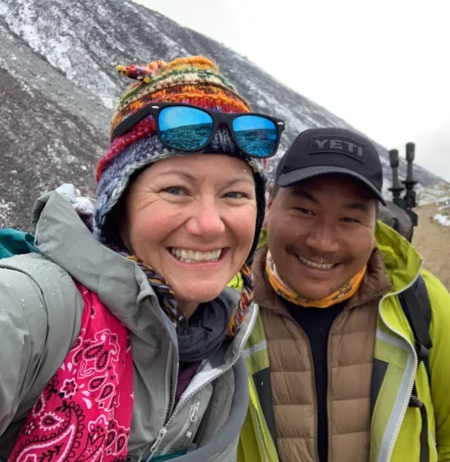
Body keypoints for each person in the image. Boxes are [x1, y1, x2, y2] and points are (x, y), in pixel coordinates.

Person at [0, 56, 285, 461]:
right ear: (119, 204)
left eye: (235, 194)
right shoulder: (35, 309)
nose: (209, 224)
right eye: (176, 190)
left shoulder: (220, 347)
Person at [238, 128, 450, 462]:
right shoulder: (224, 307)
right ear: (269, 203)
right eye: (304, 211)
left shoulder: (419, 302)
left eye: (350, 219)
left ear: (375, 226)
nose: (323, 242)